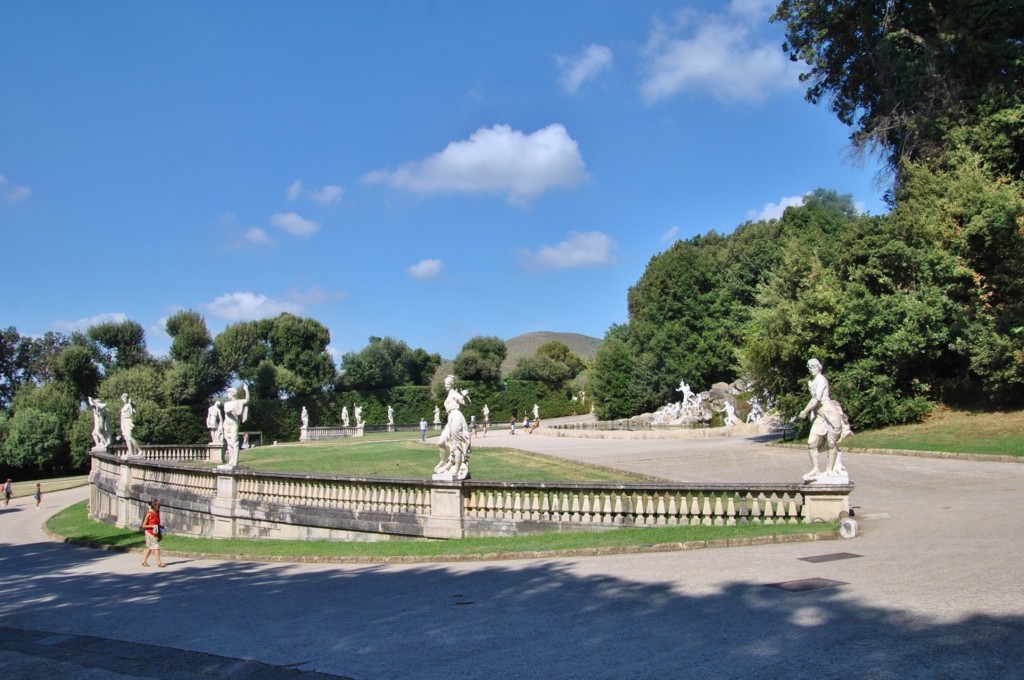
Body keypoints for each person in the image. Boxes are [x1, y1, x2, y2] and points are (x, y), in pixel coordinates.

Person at [797, 358, 853, 481]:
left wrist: (805, 411)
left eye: (813, 366)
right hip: (820, 416)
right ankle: (815, 469)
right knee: (811, 443)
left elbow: (816, 399)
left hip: (831, 414)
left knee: (832, 444)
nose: (811, 369)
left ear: (819, 367)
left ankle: (830, 470)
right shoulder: (811, 382)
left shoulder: (822, 380)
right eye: (809, 367)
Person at [435, 375, 472, 479]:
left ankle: (456, 468)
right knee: (441, 442)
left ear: (452, 385)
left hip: (456, 417)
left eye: (447, 384)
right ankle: (444, 461)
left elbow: (467, 403)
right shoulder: (449, 394)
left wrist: (465, 396)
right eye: (445, 383)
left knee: (456, 445)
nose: (445, 385)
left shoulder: (455, 394)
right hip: (450, 418)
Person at [222, 384, 250, 467]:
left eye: (228, 393)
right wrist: (229, 411)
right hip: (226, 424)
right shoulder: (226, 403)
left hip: (234, 423)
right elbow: (226, 411)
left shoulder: (238, 402)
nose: (227, 395)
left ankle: (235, 461)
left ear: (232, 393)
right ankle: (231, 460)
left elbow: (247, 400)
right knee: (229, 443)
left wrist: (246, 389)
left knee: (234, 442)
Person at [140, 499, 166, 567]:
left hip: (155, 532)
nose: (159, 505)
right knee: (156, 547)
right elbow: (143, 525)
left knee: (150, 548)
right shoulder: (149, 514)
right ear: (154, 506)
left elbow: (157, 523)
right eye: (158, 505)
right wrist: (152, 526)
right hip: (149, 533)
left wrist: (161, 527)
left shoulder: (157, 513)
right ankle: (159, 563)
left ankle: (144, 561)